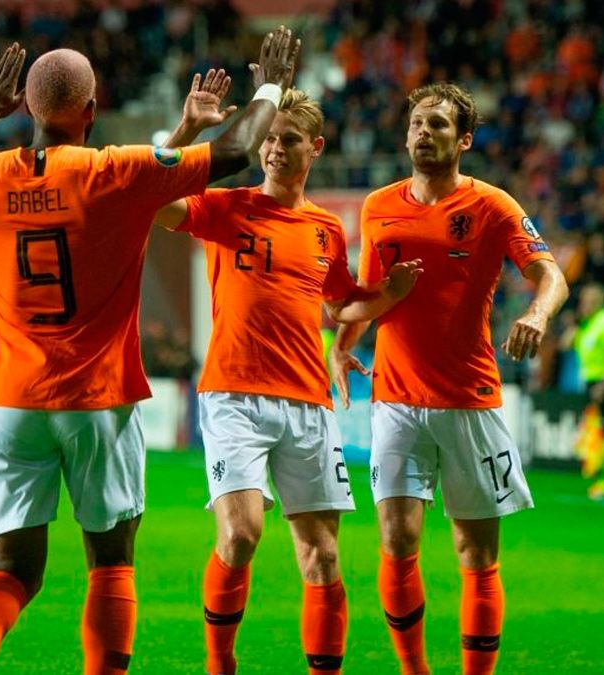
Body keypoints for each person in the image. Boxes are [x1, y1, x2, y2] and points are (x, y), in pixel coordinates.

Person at [0, 31, 300, 675]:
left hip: (10, 401)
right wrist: (271, 87)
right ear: (92, 112)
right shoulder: (110, 171)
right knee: (112, 563)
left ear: (28, 109)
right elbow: (233, 150)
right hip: (99, 400)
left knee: (11, 570)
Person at [152, 80, 422, 675]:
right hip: (233, 394)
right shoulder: (225, 206)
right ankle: (219, 664)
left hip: (307, 401)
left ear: (316, 147)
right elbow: (149, 197)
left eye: (289, 139)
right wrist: (188, 132)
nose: (274, 149)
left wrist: (385, 297)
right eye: (269, 139)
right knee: (241, 535)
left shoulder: (326, 229)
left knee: (323, 556)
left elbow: (340, 305)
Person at [329, 82, 568, 675]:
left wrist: (536, 313)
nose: (423, 132)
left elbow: (551, 275)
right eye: (416, 122)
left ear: (463, 139)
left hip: (469, 399)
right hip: (396, 399)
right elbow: (369, 293)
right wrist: (341, 345)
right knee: (397, 540)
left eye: (437, 124)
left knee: (476, 554)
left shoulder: (492, 205)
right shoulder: (378, 205)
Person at [565, 284, 604, 500]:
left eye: (588, 300)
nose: (584, 305)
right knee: (596, 432)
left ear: (599, 301)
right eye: (582, 301)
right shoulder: (587, 324)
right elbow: (565, 344)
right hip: (590, 382)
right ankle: (602, 477)